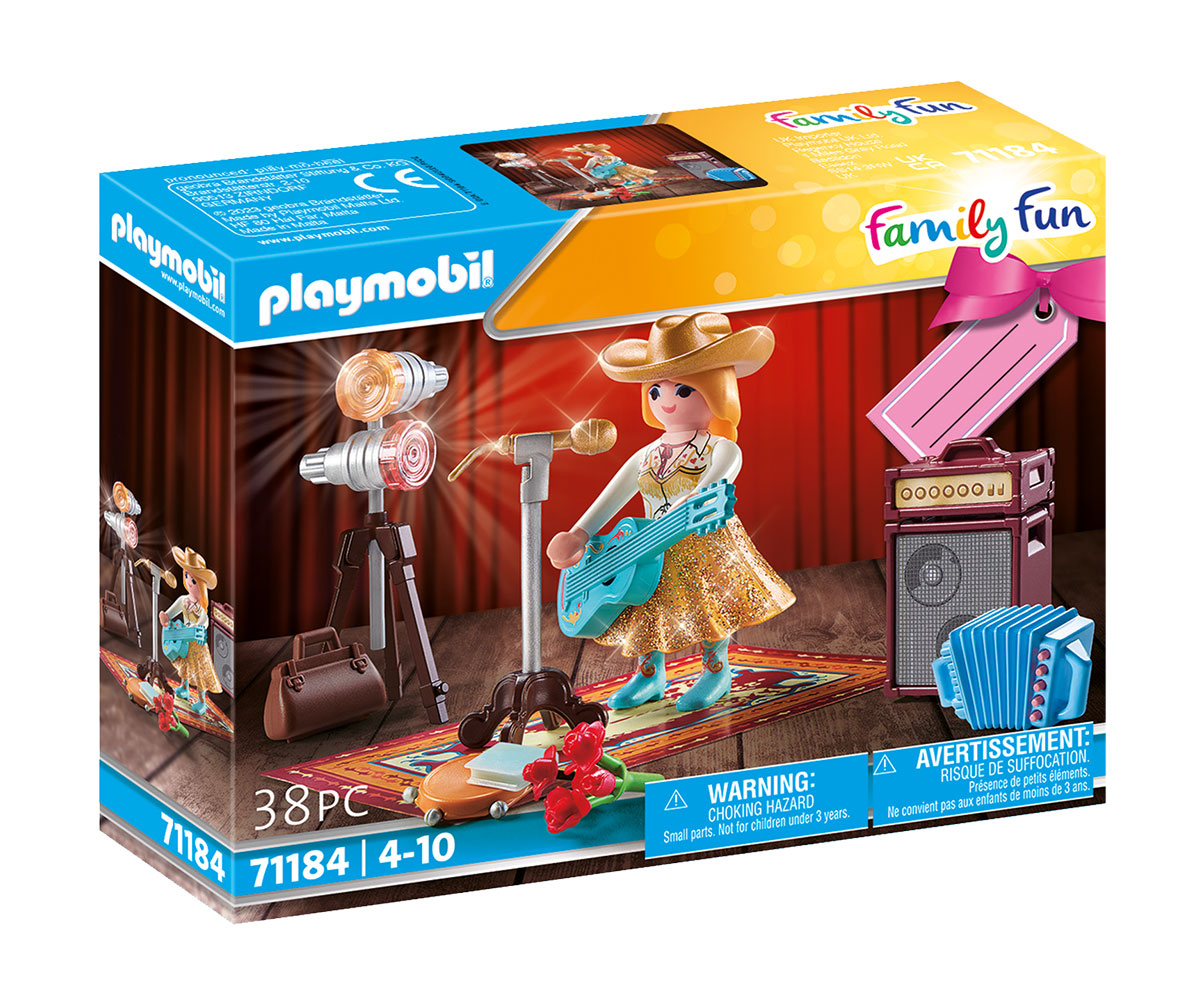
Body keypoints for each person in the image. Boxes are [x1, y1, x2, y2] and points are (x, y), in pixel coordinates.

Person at [548, 313, 795, 712]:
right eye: (655, 390)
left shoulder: (720, 448)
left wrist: (693, 497)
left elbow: (715, 480)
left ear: (716, 390)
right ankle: (650, 675)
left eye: (682, 390)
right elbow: (612, 497)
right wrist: (578, 533)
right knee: (645, 606)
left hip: (702, 543)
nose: (667, 401)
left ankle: (716, 671)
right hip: (650, 545)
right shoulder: (646, 455)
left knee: (708, 605)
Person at [159, 546, 221, 714]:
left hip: (197, 645)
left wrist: (197, 625)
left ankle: (202, 701)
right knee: (184, 666)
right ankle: (184, 688)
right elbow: (171, 612)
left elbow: (204, 621)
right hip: (184, 640)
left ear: (201, 585)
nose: (188, 582)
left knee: (199, 673)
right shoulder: (183, 600)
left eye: (193, 580)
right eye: (186, 576)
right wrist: (165, 616)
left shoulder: (200, 608)